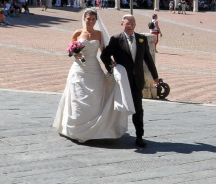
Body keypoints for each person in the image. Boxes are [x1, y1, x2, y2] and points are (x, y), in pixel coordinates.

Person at [53, 9, 133, 142]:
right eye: (88, 18)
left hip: (94, 69)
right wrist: (74, 53)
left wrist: (112, 64)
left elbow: (103, 53)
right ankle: (77, 129)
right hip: (79, 70)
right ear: (84, 18)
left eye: (93, 19)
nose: (90, 21)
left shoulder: (99, 34)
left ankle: (95, 130)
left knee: (95, 99)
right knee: (76, 98)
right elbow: (70, 50)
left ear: (96, 20)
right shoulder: (78, 33)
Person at [99, 15, 159, 148]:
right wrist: (111, 66)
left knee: (138, 109)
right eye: (127, 23)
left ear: (135, 25)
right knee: (117, 108)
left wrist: (155, 76)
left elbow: (148, 59)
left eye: (132, 23)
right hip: (122, 81)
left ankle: (139, 136)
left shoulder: (142, 39)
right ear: (122, 25)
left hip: (137, 80)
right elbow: (104, 55)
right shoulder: (116, 39)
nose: (129, 25)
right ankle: (110, 131)